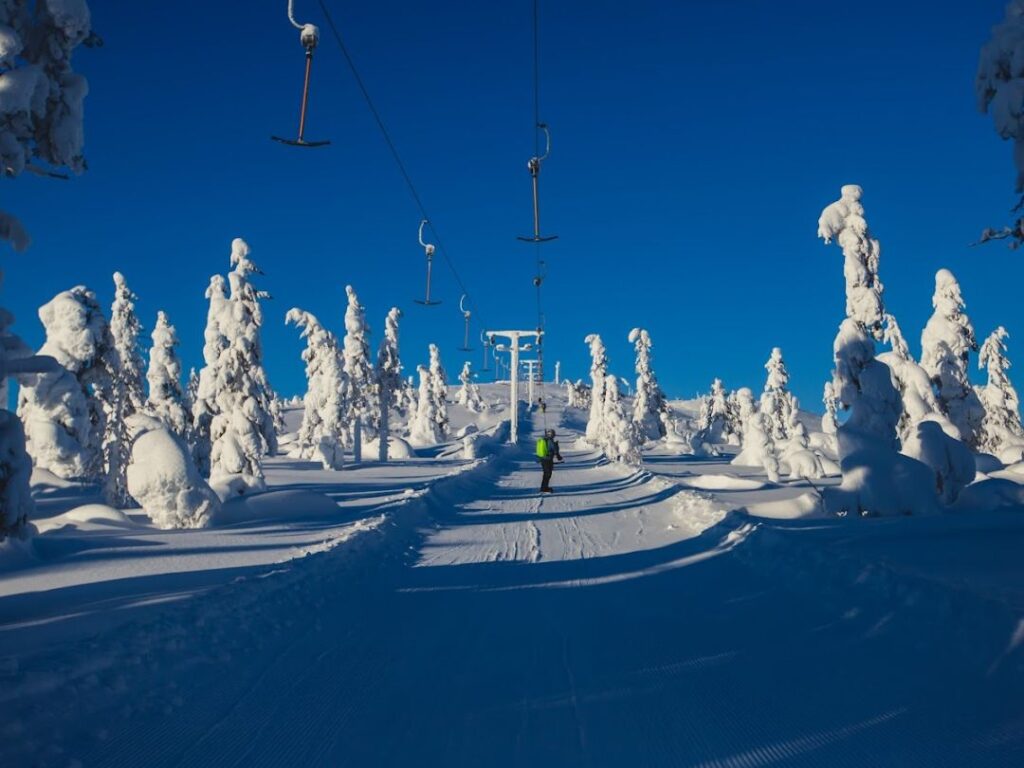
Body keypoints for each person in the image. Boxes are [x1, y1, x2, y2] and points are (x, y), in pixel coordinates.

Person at [535, 428, 563, 493]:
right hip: (548, 460)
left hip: (543, 459)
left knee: (546, 473)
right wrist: (559, 456)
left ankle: (544, 487)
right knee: (548, 474)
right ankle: (544, 488)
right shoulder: (550, 441)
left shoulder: (544, 440)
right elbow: (555, 451)